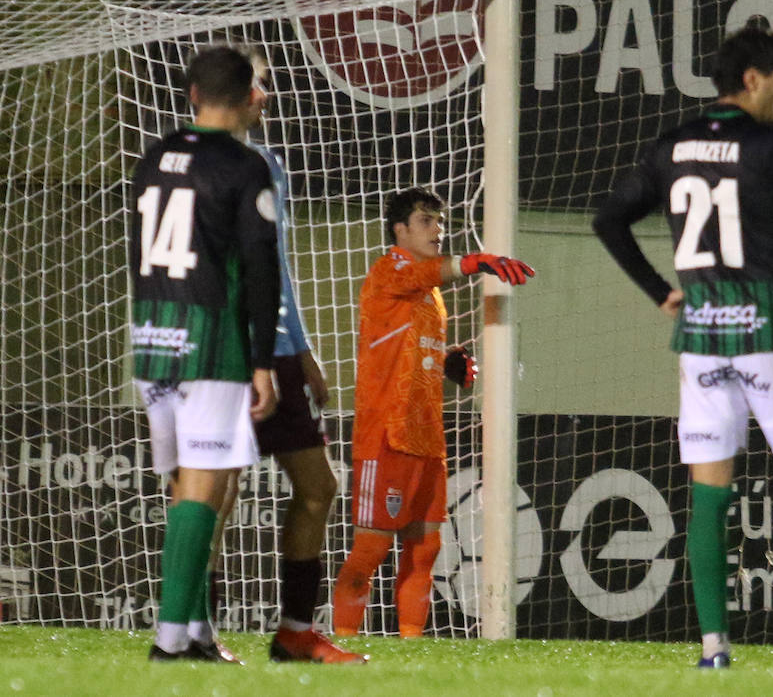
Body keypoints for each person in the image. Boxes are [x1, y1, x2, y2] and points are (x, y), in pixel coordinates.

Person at [593, 26, 773, 670]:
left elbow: (609, 219)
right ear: (753, 79)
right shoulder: (769, 144)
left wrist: (662, 293)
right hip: (767, 330)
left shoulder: (671, 146)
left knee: (709, 488)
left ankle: (714, 649)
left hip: (703, 339)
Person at [130, 45, 281, 662]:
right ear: (247, 97)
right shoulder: (245, 168)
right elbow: (261, 265)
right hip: (211, 342)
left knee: (185, 488)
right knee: (203, 490)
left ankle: (194, 632)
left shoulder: (151, 158)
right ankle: (168, 641)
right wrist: (263, 359)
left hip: (151, 339)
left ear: (192, 94)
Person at [331, 187, 533, 638]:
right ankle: (340, 649)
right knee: (370, 551)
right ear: (399, 229)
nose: (437, 230)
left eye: (439, 222)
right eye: (426, 220)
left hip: (427, 439)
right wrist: (477, 262)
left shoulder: (430, 293)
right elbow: (430, 274)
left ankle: (409, 653)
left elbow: (404, 345)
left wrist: (446, 361)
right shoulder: (389, 272)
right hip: (386, 436)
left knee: (425, 552)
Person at [239, 77, 366, 663]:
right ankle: (195, 632)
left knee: (318, 488)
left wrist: (303, 348)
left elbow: (277, 261)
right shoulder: (198, 164)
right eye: (255, 84)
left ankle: (294, 632)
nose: (265, 94)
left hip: (281, 349)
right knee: (216, 490)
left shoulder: (270, 163)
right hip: (227, 349)